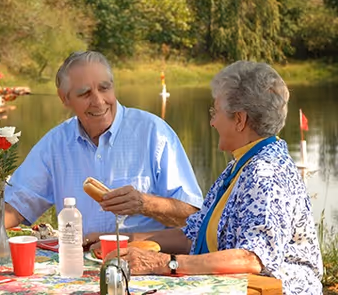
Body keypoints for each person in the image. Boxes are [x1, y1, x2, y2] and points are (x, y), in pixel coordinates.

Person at [103, 61, 323, 295]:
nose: (212, 122)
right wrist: (121, 242)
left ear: (239, 120)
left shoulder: (266, 173)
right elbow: (191, 235)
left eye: (215, 112)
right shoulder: (241, 164)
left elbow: (252, 259)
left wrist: (163, 263)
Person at [4, 51, 203, 236]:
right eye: (85, 94)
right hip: (77, 264)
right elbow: (15, 206)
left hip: (146, 263)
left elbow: (193, 215)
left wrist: (144, 203)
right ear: (64, 98)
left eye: (104, 88)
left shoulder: (154, 132)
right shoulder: (55, 144)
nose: (98, 101)